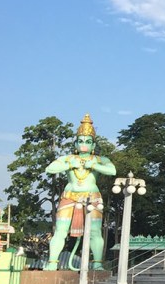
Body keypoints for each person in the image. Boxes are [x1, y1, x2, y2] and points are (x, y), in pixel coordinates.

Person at [45, 114, 116, 271]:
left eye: (88, 141)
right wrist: (70, 165)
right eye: (81, 141)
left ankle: (97, 263)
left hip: (92, 197)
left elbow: (112, 170)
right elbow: (50, 168)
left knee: (95, 232)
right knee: (60, 231)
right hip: (69, 197)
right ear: (76, 144)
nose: (84, 144)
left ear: (93, 145)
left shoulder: (99, 159)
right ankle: (51, 263)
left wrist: (94, 166)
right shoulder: (68, 158)